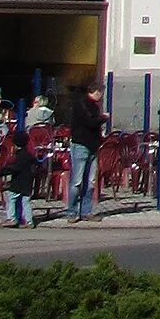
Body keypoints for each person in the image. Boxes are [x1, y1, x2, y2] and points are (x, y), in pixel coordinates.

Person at [65, 82, 105, 223]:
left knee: (90, 182)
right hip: (81, 145)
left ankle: (86, 211)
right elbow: (90, 122)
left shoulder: (93, 106)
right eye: (101, 93)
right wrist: (103, 118)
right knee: (77, 181)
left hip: (93, 146)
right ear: (96, 92)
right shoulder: (81, 104)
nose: (102, 96)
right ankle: (72, 211)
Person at [0, 131, 38, 230]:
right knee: (26, 202)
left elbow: (15, 168)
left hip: (18, 183)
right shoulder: (29, 155)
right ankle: (29, 221)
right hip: (28, 183)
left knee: (11, 198)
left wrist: (2, 171)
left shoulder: (19, 156)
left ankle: (11, 218)